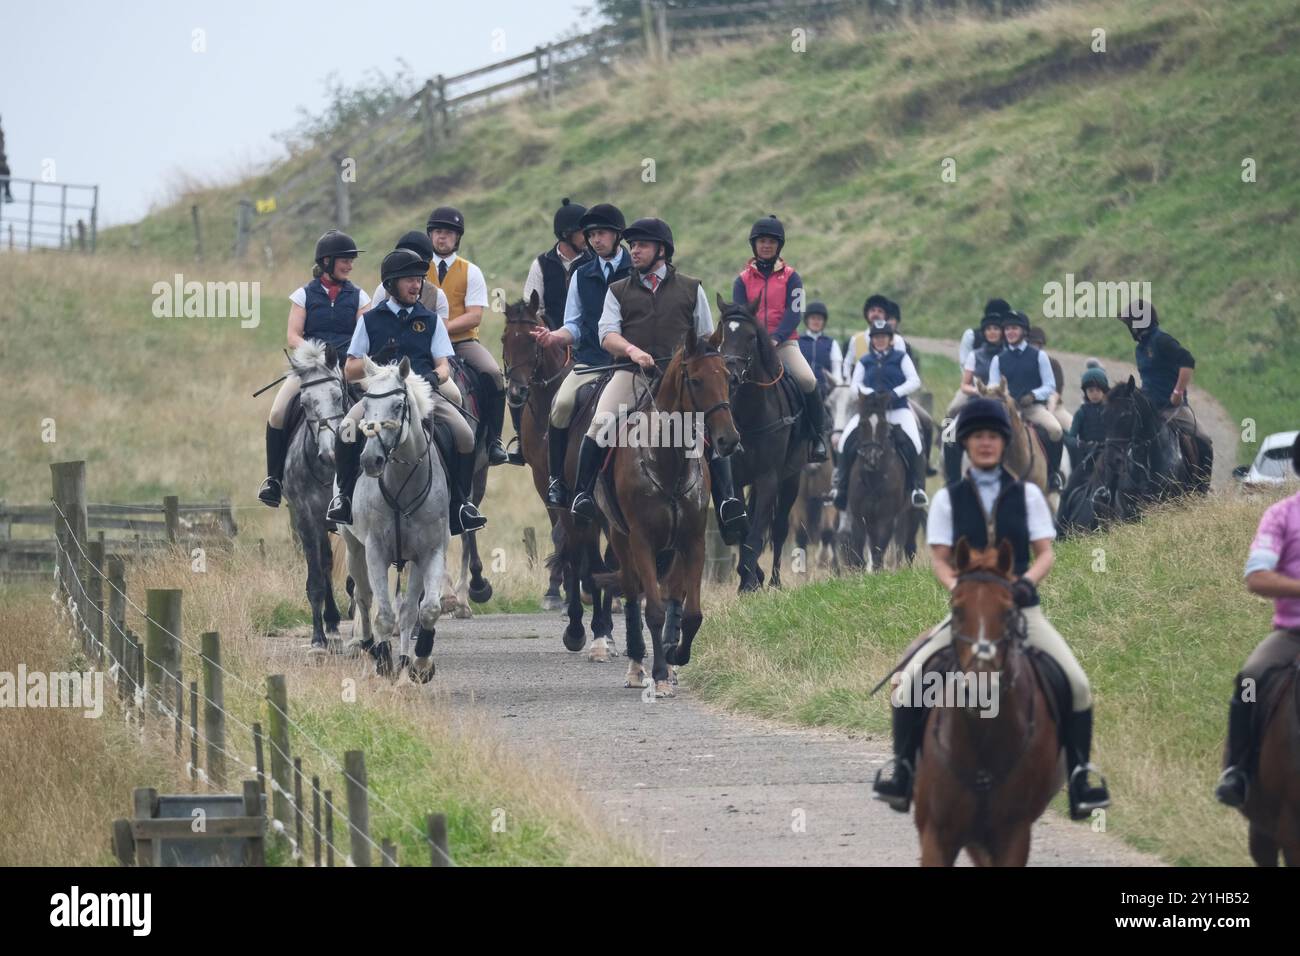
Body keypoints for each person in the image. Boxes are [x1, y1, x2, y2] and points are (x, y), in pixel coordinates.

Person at [872, 397, 1111, 820]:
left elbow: (1045, 554)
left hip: (1021, 611)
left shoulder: (1028, 496)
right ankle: (903, 770)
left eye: (993, 437)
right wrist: (959, 589)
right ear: (966, 443)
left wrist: (1023, 584)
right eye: (977, 437)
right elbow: (941, 560)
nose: (985, 443)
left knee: (1077, 683)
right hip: (968, 614)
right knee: (910, 683)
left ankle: (1080, 778)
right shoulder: (948, 499)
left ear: (1003, 443)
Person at [568, 217, 747, 544]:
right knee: (600, 423)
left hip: (680, 378)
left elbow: (707, 337)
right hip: (631, 373)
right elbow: (607, 335)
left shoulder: (692, 288)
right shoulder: (618, 290)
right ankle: (581, 496)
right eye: (632, 245)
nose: (634, 251)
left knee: (709, 427)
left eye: (642, 245)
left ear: (661, 250)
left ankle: (728, 503)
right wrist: (633, 351)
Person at [326, 248, 486, 535]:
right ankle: (344, 498)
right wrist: (372, 361)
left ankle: (460, 505)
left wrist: (436, 378)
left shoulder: (432, 320)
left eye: (419, 279)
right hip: (381, 398)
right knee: (347, 429)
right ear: (390, 285)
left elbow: (444, 366)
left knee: (464, 434)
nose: (417, 285)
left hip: (422, 394)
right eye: (409, 280)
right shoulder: (370, 320)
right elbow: (349, 369)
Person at [1216, 435, 1300, 807]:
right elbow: (1256, 575)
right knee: (1249, 680)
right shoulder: (1280, 515)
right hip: (1292, 634)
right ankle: (1238, 769)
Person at [529, 202, 631, 506]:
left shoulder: (635, 269)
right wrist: (553, 337)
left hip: (627, 362)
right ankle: (557, 479)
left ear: (617, 235)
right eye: (591, 235)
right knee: (560, 405)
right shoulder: (581, 274)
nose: (595, 240)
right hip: (589, 361)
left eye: (601, 234)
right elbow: (573, 324)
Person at [258, 230, 369, 507]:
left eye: (351, 260)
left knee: (380, 403)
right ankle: (274, 480)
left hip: (347, 368)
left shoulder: (359, 296)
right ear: (328, 261)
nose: (350, 265)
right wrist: (315, 356)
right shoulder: (303, 295)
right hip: (311, 371)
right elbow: (293, 336)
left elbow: (365, 334)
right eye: (345, 260)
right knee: (277, 412)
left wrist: (348, 360)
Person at [732, 215, 827, 461]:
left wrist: (775, 338)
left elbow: (795, 313)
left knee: (807, 380)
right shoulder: (741, 280)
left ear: (779, 246)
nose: (766, 245)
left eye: (771, 242)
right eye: (762, 241)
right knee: (725, 379)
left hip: (783, 343)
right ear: (754, 245)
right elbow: (742, 315)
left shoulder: (792, 277)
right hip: (750, 345)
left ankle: (817, 437)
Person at [423, 205, 510, 466]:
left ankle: (494, 440)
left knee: (493, 374)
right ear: (430, 235)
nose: (442, 237)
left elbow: (474, 316)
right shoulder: (417, 267)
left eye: (448, 233)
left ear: (457, 238)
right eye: (437, 232)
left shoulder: (470, 271)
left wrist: (440, 329)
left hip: (461, 342)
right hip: (421, 343)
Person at [1116, 300, 1214, 490]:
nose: (1129, 328)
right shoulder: (1140, 348)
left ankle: (1202, 490)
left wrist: (1177, 392)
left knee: (1204, 439)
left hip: (1173, 409)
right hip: (1150, 408)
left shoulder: (1162, 341)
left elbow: (1188, 362)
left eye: (1130, 323)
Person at [831, 319, 928, 509]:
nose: (880, 340)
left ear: (890, 339)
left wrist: (895, 393)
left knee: (915, 443)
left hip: (897, 410)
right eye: (876, 337)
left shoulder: (901, 357)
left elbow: (914, 380)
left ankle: (917, 488)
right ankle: (840, 486)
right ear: (872, 340)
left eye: (883, 337)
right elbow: (854, 386)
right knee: (844, 442)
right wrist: (868, 393)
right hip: (870, 413)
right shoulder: (865, 360)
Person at [987, 309, 1065, 491]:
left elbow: (1049, 385)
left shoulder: (1039, 356)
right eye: (1007, 329)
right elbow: (992, 385)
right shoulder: (998, 359)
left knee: (1056, 430)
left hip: (1032, 408)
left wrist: (1033, 395)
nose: (1009, 332)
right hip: (1007, 409)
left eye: (1014, 328)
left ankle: (1053, 475)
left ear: (1023, 331)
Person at [943, 302, 1006, 484]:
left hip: (1001, 398)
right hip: (976, 395)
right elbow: (965, 382)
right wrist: (979, 391)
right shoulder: (973, 347)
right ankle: (952, 477)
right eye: (990, 328)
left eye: (997, 327)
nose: (993, 332)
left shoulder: (1007, 353)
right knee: (951, 416)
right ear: (985, 330)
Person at [1026, 325, 1072, 436]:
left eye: (1036, 344)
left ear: (1041, 346)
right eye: (1030, 344)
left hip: (1054, 407)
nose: (1033, 347)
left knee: (1073, 428)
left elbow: (1055, 393)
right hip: (1030, 407)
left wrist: (1048, 412)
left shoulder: (1053, 364)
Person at [1064, 360, 1108, 468]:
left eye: (1098, 390)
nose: (1094, 394)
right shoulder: (1081, 412)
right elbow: (1071, 437)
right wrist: (1082, 445)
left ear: (1104, 390)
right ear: (1085, 392)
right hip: (1088, 456)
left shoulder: (1111, 411)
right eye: (1090, 390)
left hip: (1108, 456)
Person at [797, 301, 844, 394]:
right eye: (813, 318)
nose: (816, 321)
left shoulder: (831, 343)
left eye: (819, 319)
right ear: (807, 320)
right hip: (800, 387)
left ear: (823, 322)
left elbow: (836, 370)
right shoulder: (798, 341)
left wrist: (838, 387)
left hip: (824, 390)